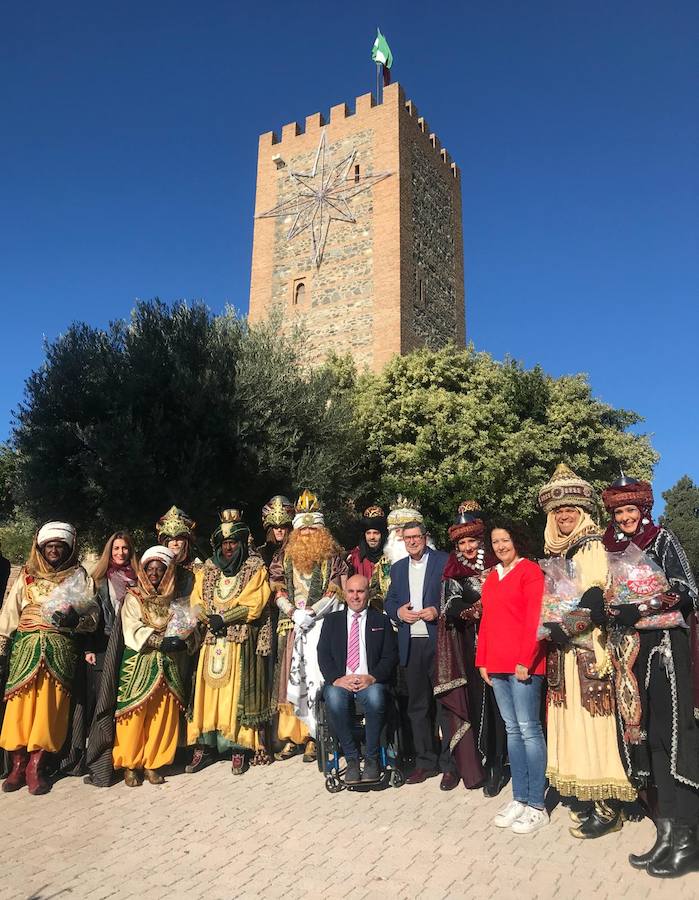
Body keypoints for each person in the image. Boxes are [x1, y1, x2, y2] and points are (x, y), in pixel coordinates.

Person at [601, 476, 699, 878]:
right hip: (633, 655)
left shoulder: (662, 540)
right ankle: (668, 830)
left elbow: (685, 590)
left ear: (644, 509)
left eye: (631, 510)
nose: (625, 517)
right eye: (619, 511)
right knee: (653, 738)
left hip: (664, 650)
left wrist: (639, 607)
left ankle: (690, 838)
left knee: (675, 736)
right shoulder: (612, 550)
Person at [537, 464, 637, 838]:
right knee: (574, 724)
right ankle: (590, 795)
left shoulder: (591, 543)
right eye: (558, 512)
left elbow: (595, 597)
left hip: (587, 649)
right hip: (564, 650)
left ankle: (608, 807)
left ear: (582, 513)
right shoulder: (555, 552)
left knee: (594, 726)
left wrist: (562, 628)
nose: (564, 516)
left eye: (571, 511)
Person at [0, 522, 98, 794]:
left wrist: (76, 618)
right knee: (19, 706)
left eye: (60, 546)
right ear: (41, 548)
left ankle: (36, 766)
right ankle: (17, 764)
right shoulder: (27, 575)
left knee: (49, 708)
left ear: (67, 549)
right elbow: (10, 611)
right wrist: (1, 642)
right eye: (50, 546)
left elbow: (93, 614)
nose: (54, 550)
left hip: (59, 649)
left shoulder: (78, 576)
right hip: (26, 649)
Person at [186, 508, 273, 775]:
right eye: (224, 543)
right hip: (210, 642)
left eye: (233, 542)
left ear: (242, 542)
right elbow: (196, 600)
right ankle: (205, 746)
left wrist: (224, 618)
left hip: (238, 641)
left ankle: (237, 747)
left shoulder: (255, 568)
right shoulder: (208, 569)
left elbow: (254, 603)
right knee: (206, 694)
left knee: (234, 694)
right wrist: (205, 616)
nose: (228, 547)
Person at [476, 519, 548, 835]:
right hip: (497, 665)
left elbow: (536, 617)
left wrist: (526, 659)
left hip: (524, 665)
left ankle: (537, 804)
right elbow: (487, 621)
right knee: (512, 731)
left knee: (530, 730)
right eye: (495, 542)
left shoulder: (530, 571)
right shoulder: (492, 577)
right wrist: (482, 660)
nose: (501, 546)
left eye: (505, 540)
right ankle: (519, 797)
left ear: (516, 539)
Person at [269, 490, 347, 762]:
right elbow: (277, 587)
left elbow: (336, 588)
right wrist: (291, 611)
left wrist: (312, 611)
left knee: (318, 677)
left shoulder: (333, 557)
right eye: (302, 529)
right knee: (292, 679)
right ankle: (293, 736)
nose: (306, 534)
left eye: (313, 529)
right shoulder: (284, 557)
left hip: (322, 625)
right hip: (293, 626)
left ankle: (317, 735)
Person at [112, 546, 199, 786]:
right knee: (133, 713)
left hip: (169, 665)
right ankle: (130, 764)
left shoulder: (178, 599)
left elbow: (191, 628)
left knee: (164, 713)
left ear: (169, 572)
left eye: (160, 569)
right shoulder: (134, 596)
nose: (154, 573)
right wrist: (160, 640)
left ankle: (154, 763)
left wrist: (184, 637)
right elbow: (131, 628)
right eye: (149, 568)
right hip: (140, 661)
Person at [438, 501, 504, 795]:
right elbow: (449, 606)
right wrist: (475, 609)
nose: (467, 547)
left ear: (480, 540)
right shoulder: (454, 572)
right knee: (482, 706)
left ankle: (506, 761)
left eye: (471, 541)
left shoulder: (498, 564)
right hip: (473, 650)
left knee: (505, 706)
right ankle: (488, 763)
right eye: (462, 542)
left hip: (504, 643)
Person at [384, 520, 451, 786]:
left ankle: (449, 763)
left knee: (444, 704)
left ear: (425, 537)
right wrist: (398, 612)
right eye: (407, 538)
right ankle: (425, 762)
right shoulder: (399, 568)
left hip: (437, 642)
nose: (412, 541)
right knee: (418, 706)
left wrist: (437, 609)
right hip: (411, 644)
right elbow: (390, 601)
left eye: (416, 537)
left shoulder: (443, 561)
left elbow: (453, 594)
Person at [318, 574, 398, 783]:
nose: (355, 596)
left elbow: (390, 656)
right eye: (351, 591)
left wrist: (372, 677)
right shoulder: (331, 621)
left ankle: (371, 759)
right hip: (341, 680)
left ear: (368, 594)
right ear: (345, 594)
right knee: (334, 699)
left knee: (375, 698)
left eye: (360, 591)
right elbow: (323, 653)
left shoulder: (380, 621)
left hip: (369, 680)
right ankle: (352, 759)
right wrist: (336, 679)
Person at [84, 532, 138, 727]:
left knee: (123, 692)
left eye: (124, 548)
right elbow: (91, 615)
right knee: (102, 693)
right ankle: (99, 743)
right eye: (116, 548)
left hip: (131, 643)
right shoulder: (98, 579)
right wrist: (89, 648)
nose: (120, 552)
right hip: (104, 642)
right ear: (110, 550)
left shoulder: (140, 578)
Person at [369, 496, 433, 608]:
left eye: (404, 530)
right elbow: (376, 591)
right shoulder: (384, 563)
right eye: (396, 530)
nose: (399, 535)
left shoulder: (435, 561)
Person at [347, 506, 388, 585]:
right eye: (368, 533)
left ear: (382, 535)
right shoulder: (354, 558)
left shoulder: (390, 557)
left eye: (376, 533)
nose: (372, 537)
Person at [257, 495, 294, 567]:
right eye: (275, 527)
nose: (279, 530)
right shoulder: (261, 553)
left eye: (282, 527)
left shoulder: (296, 551)